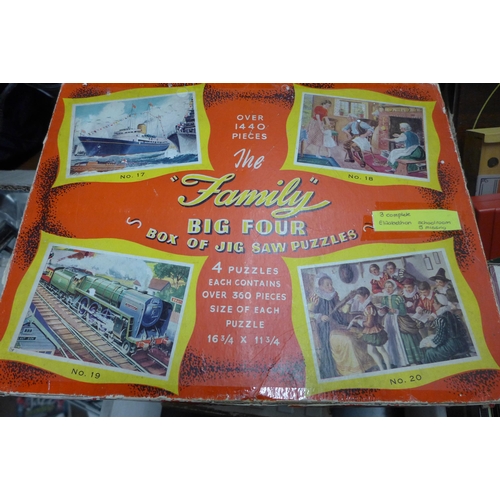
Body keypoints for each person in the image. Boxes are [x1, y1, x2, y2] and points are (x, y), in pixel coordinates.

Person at [308, 273, 349, 378]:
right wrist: (320, 316)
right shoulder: (316, 297)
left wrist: (347, 305)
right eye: (327, 285)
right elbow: (309, 313)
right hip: (324, 327)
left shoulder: (334, 295)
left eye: (331, 284)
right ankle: (331, 371)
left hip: (337, 323)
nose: (330, 286)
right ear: (321, 286)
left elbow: (341, 309)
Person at [380, 279, 423, 366]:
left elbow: (403, 312)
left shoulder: (399, 298)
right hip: (389, 321)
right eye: (386, 287)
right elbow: (382, 310)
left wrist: (395, 310)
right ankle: (395, 361)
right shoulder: (384, 299)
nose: (388, 289)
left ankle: (411, 361)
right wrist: (382, 311)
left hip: (399, 320)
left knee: (406, 338)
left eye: (390, 287)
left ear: (394, 287)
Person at [348, 287, 391, 371]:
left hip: (374, 332)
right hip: (371, 332)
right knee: (371, 351)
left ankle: (389, 368)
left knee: (381, 350)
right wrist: (362, 317)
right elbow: (369, 318)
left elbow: (369, 324)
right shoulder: (367, 306)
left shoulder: (369, 307)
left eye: (359, 297)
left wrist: (358, 321)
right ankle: (382, 368)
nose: (358, 300)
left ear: (366, 296)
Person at [420, 294, 470, 363]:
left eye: (434, 303)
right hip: (462, 343)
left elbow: (440, 337)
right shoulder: (454, 315)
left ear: (439, 304)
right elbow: (462, 331)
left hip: (452, 346)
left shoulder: (440, 319)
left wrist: (430, 344)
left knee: (429, 352)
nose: (433, 304)